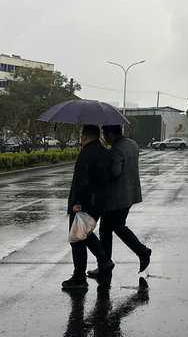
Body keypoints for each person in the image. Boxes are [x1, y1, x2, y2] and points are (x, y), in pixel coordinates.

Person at [87, 125, 151, 278]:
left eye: (104, 134)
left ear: (110, 134)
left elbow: (115, 172)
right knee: (112, 227)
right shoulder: (132, 144)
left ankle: (140, 252)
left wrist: (103, 168)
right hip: (130, 194)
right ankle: (106, 264)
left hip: (116, 197)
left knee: (110, 228)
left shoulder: (115, 150)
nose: (104, 137)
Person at [62, 124, 115, 291]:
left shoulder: (86, 153)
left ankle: (80, 277)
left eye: (81, 135)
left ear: (85, 136)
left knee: (77, 239)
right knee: (84, 234)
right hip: (98, 203)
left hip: (84, 203)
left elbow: (82, 181)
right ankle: (104, 261)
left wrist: (77, 202)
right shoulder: (105, 152)